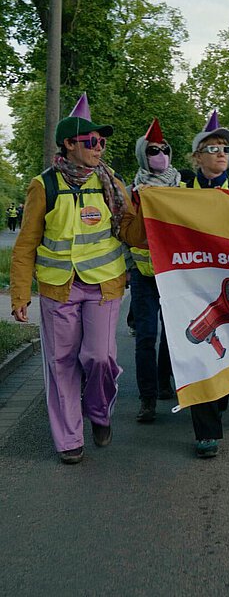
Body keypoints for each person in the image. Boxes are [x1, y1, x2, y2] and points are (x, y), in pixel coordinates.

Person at [9, 92, 143, 464]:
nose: (99, 147)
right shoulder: (44, 186)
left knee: (100, 357)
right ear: (68, 145)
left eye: (102, 142)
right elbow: (26, 245)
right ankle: (69, 440)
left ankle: (99, 413)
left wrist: (147, 211)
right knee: (62, 364)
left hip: (104, 286)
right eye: (91, 142)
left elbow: (130, 233)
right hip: (58, 289)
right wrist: (20, 294)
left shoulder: (111, 183)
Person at [186, 110, 229, 458]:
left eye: (225, 149)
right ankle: (206, 432)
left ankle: (217, 403)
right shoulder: (178, 193)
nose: (221, 153)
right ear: (197, 158)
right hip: (190, 282)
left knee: (228, 350)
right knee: (197, 352)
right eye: (213, 148)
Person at [127, 118, 179, 424]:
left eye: (164, 149)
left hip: (172, 272)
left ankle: (163, 382)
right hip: (142, 273)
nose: (159, 154)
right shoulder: (132, 191)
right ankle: (147, 398)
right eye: (153, 150)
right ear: (142, 156)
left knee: (172, 335)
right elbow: (124, 231)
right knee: (146, 337)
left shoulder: (180, 188)